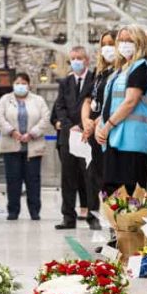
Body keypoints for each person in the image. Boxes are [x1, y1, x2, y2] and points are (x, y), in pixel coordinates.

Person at [96, 25, 147, 195]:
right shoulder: (120, 71)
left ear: (140, 42)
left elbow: (130, 102)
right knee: (111, 190)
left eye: (129, 40)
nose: (124, 44)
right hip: (114, 140)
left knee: (130, 193)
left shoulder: (141, 68)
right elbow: (110, 101)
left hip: (131, 141)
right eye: (121, 40)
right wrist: (100, 126)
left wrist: (107, 126)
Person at [53, 46, 99, 231]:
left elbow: (95, 105)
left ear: (87, 60)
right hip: (68, 137)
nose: (76, 61)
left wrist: (83, 125)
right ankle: (68, 217)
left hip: (87, 135)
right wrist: (68, 125)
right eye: (73, 58)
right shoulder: (65, 82)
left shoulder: (95, 79)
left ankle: (92, 215)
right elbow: (59, 107)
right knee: (68, 178)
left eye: (79, 58)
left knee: (90, 178)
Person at [0, 72, 52, 221]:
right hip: (11, 146)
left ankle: (35, 211)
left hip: (33, 147)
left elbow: (45, 119)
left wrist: (32, 133)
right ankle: (13, 211)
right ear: (13, 85)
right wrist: (12, 131)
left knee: (33, 180)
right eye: (18, 83)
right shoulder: (5, 100)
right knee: (13, 180)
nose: (21, 86)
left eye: (23, 83)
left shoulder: (38, 100)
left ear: (29, 85)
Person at [81, 31, 116, 206]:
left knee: (110, 179)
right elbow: (88, 99)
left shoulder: (120, 73)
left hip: (107, 131)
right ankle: (102, 217)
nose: (107, 48)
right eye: (104, 44)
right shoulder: (99, 72)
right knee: (97, 178)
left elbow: (116, 103)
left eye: (111, 43)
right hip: (94, 133)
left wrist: (95, 123)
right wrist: (86, 120)